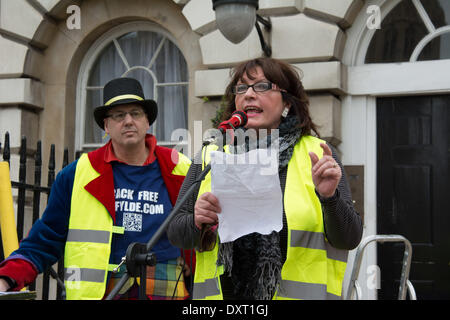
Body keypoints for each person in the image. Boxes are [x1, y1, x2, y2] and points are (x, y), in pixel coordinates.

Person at [167, 57, 363, 300]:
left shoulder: (318, 154)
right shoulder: (209, 154)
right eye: (241, 88)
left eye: (262, 86)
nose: (249, 94)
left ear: (287, 104)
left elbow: (349, 238)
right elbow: (176, 232)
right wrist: (196, 220)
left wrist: (329, 198)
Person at [0, 77, 192, 300]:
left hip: (165, 292)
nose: (129, 121)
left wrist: (192, 254)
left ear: (147, 121)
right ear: (106, 125)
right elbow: (44, 239)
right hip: (99, 295)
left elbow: (206, 228)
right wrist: (7, 278)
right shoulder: (75, 174)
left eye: (136, 113)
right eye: (119, 115)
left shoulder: (180, 167)